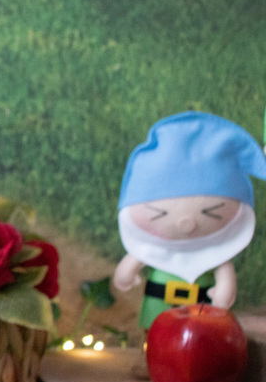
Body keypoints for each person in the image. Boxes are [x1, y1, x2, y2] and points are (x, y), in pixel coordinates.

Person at [113, 111, 266, 331]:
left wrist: (223, 293)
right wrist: (126, 273)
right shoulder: (151, 249)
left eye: (210, 211)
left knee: (202, 335)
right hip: (158, 307)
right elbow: (133, 263)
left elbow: (224, 276)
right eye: (160, 212)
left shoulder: (215, 252)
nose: (187, 222)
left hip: (202, 317)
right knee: (155, 335)